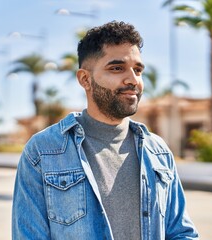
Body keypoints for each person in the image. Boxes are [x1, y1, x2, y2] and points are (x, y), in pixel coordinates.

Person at [12, 21, 199, 240]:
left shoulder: (157, 151)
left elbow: (181, 233)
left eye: (137, 70)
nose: (133, 80)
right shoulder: (44, 151)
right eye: (117, 68)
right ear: (85, 79)